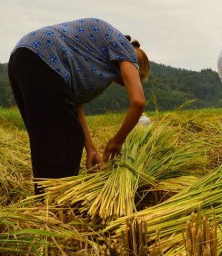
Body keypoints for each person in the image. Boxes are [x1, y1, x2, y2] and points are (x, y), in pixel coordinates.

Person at [8, 18, 149, 194]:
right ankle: (59, 202)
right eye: (137, 77)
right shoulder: (126, 50)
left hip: (22, 57)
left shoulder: (98, 56)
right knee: (67, 141)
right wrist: (117, 140)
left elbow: (75, 107)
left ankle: (47, 203)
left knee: (45, 141)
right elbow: (138, 101)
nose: (124, 84)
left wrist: (90, 149)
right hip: (44, 60)